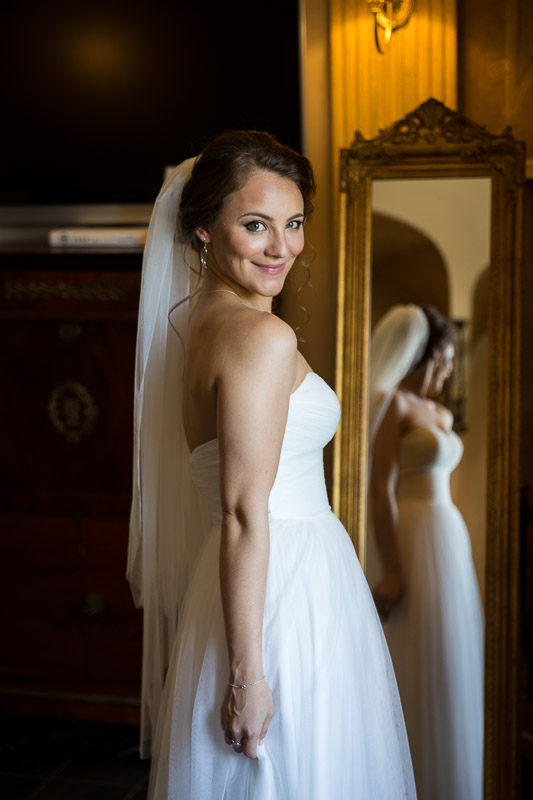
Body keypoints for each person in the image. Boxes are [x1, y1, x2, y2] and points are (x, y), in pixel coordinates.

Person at [127, 131, 416, 799]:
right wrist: (248, 675)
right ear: (202, 230)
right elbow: (239, 513)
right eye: (255, 225)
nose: (281, 247)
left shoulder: (201, 324)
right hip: (283, 591)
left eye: (292, 224)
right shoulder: (260, 335)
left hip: (243, 584)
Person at [367, 304, 484, 800]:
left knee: (448, 653)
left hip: (447, 534)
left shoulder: (439, 411)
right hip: (412, 533)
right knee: (413, 646)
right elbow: (380, 489)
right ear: (429, 355)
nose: (451, 368)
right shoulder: (391, 404)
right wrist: (392, 566)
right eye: (448, 357)